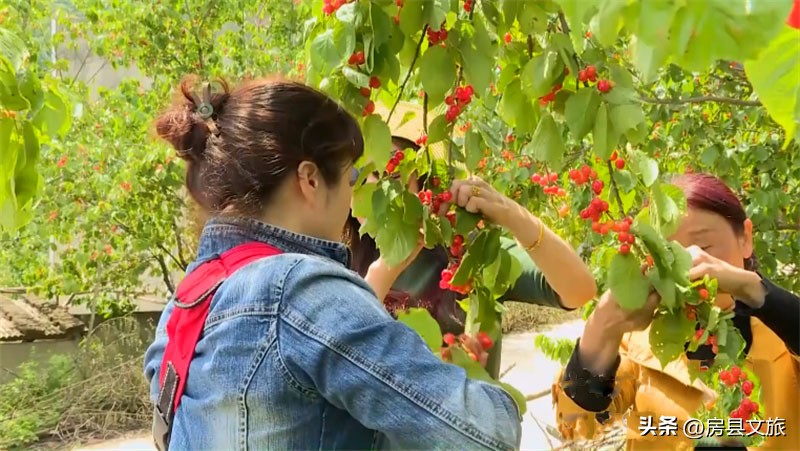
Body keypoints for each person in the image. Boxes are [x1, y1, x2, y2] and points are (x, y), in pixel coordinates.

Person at [143, 77, 525, 450]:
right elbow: (487, 432)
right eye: (351, 178)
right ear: (310, 179)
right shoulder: (302, 289)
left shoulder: (189, 299)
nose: (352, 200)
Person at [345, 102, 597, 378]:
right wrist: (383, 274)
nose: (372, 186)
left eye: (390, 174)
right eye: (358, 175)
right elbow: (337, 368)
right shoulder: (335, 259)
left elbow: (579, 290)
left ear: (423, 183)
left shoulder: (468, 255)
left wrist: (514, 215)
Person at [551, 173, 799, 450]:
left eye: (704, 246)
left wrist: (755, 290)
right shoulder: (640, 346)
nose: (689, 265)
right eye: (668, 255)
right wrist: (600, 328)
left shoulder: (783, 332)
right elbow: (578, 423)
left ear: (746, 239)